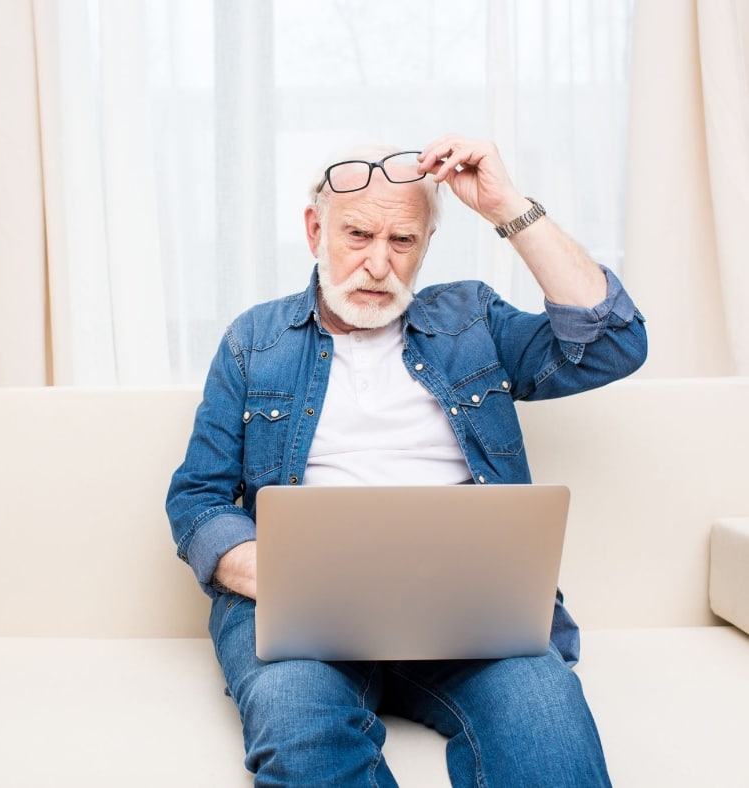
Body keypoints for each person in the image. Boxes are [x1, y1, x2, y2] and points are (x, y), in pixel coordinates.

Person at [166, 135, 647, 787]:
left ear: (425, 245)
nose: (377, 264)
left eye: (402, 242)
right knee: (299, 731)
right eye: (358, 234)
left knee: (546, 721)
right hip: (301, 612)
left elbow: (613, 343)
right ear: (315, 230)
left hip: (467, 609)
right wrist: (276, 572)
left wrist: (508, 206)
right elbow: (198, 497)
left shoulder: (470, 319)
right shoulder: (255, 340)